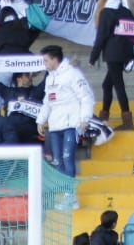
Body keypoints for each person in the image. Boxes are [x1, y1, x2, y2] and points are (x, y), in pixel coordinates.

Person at [36, 44, 94, 177]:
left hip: (71, 125)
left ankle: (70, 194)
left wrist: (85, 118)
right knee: (57, 161)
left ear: (55, 59)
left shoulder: (73, 73)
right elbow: (47, 101)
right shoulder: (49, 78)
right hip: (55, 126)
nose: (44, 63)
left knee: (68, 158)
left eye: (46, 60)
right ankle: (64, 192)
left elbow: (86, 96)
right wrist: (41, 120)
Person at [89, 0, 134, 131]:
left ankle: (127, 121)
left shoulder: (106, 12)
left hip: (112, 54)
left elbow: (101, 36)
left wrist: (93, 57)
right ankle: (104, 117)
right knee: (107, 84)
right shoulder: (126, 11)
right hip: (125, 53)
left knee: (118, 85)